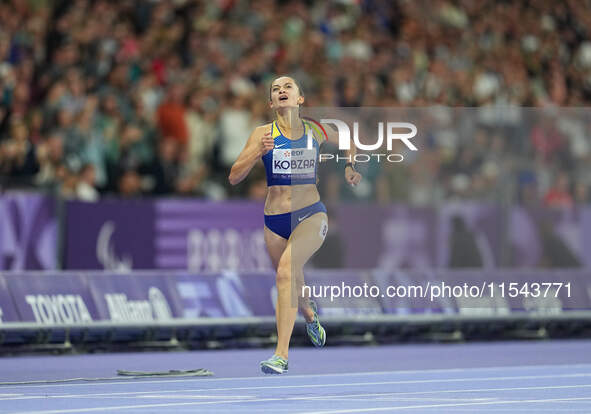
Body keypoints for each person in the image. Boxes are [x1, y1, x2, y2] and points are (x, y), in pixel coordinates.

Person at [229, 76, 361, 374]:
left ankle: (281, 355)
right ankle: (310, 314)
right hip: (274, 222)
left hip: (311, 215)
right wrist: (255, 152)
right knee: (291, 278)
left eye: (288, 87)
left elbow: (349, 140)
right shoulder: (262, 134)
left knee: (287, 272)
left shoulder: (314, 129)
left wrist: (350, 166)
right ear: (271, 102)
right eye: (276, 89)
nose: (281, 90)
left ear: (300, 98)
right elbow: (234, 176)